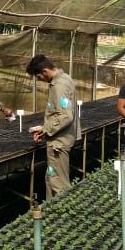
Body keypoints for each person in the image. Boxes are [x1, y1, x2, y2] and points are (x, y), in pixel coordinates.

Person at [26, 54, 76, 200]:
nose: (38, 80)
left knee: (58, 184)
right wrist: (44, 129)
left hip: (58, 144)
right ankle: (50, 211)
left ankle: (64, 212)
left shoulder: (58, 86)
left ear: (44, 71)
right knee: (51, 178)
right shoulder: (65, 78)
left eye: (38, 76)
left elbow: (65, 116)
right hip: (60, 139)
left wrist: (45, 129)